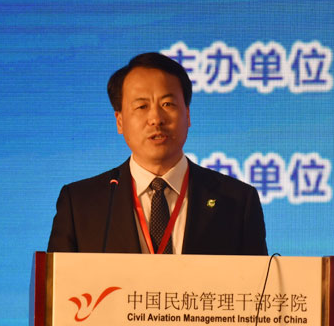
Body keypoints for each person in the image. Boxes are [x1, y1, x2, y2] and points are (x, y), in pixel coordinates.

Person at [47, 52, 267, 255]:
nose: (156, 119)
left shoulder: (237, 201)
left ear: (188, 115)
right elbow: (57, 283)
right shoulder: (80, 204)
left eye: (167, 104)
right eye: (142, 107)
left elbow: (259, 283)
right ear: (120, 121)